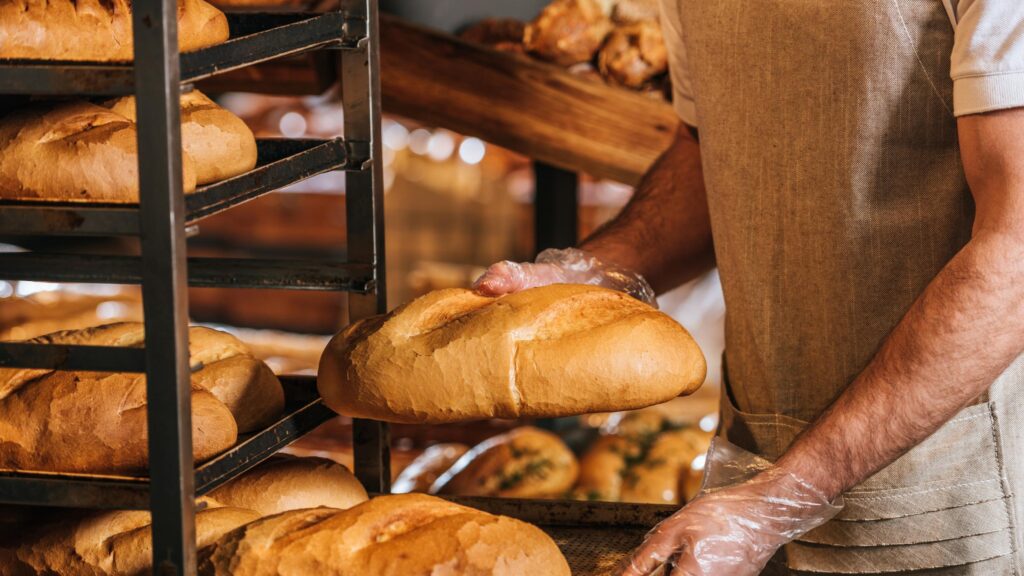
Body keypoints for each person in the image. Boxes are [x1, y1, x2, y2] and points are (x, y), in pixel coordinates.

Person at [473, 1, 1024, 574]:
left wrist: (781, 498)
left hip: (939, 508)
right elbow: (713, 152)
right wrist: (592, 272)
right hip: (747, 478)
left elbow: (1015, 251)